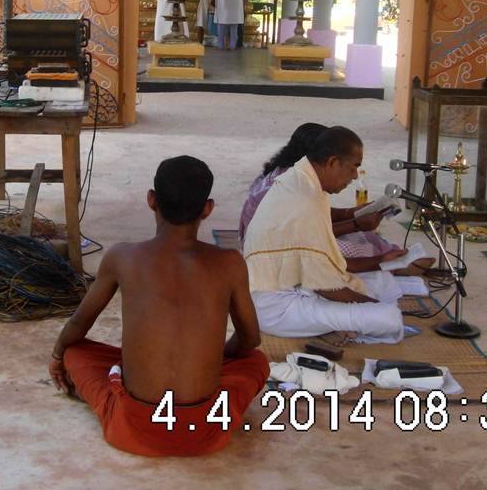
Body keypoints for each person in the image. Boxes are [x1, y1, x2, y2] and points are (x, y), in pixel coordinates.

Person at [49, 156, 269, 457]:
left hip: (133, 430)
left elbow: (78, 325)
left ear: (151, 200)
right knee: (255, 362)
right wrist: (211, 358)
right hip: (205, 431)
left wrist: (57, 355)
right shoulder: (229, 263)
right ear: (208, 208)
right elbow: (250, 339)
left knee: (76, 352)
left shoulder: (122, 256)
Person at [243, 127, 405, 344]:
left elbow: (324, 266)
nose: (356, 175)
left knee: (381, 279)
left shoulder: (304, 180)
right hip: (278, 308)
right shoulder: (305, 197)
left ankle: (334, 326)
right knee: (390, 318)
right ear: (332, 162)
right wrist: (371, 305)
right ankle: (335, 326)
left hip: (298, 287)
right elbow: (327, 287)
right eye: (354, 167)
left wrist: (373, 271)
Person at [240, 123, 421, 272]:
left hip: (286, 260)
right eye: (352, 167)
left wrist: (351, 214)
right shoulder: (295, 186)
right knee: (354, 246)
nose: (355, 175)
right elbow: (313, 239)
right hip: (275, 266)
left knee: (360, 238)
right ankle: (395, 263)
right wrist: (359, 229)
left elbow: (315, 221)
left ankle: (393, 259)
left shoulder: (298, 177)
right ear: (327, 160)